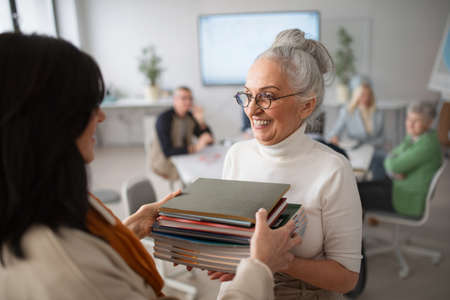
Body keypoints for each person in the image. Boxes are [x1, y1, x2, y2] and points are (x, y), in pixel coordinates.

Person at [0, 32, 301, 300]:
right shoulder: (72, 279)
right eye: (87, 106)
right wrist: (260, 265)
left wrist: (131, 227)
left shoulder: (42, 203)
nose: (101, 117)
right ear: (46, 125)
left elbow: (95, 251)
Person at [211, 29, 362, 299]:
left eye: (267, 96)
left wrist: (282, 261)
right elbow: (231, 237)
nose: (251, 110)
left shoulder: (333, 169)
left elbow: (347, 278)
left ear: (306, 106)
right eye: (247, 95)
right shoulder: (237, 155)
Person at [358, 101, 442, 217]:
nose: (410, 124)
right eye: (408, 119)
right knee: (356, 187)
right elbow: (393, 157)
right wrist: (392, 168)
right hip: (399, 186)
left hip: (407, 198)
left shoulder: (427, 145)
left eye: (416, 121)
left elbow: (393, 165)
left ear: (429, 123)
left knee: (355, 195)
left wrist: (392, 164)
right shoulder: (416, 137)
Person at [150, 86, 214, 181]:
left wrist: (201, 121)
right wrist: (195, 148)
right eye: (184, 98)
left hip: (184, 156)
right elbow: (168, 151)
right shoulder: (164, 119)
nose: (188, 102)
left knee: (208, 169)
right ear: (175, 100)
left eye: (190, 98)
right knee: (194, 175)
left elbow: (209, 140)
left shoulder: (190, 116)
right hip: (165, 161)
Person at [328, 83, 386, 180]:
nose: (366, 98)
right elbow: (333, 133)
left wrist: (369, 144)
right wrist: (334, 138)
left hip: (372, 149)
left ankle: (377, 190)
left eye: (368, 95)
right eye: (363, 95)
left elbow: (382, 138)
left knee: (381, 160)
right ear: (357, 96)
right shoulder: (347, 111)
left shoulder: (378, 113)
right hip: (354, 150)